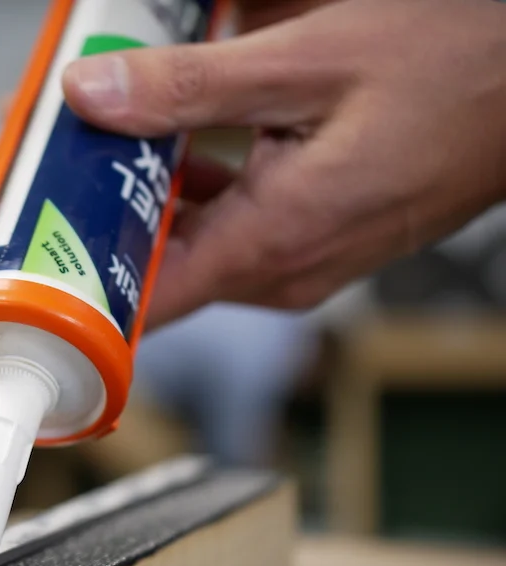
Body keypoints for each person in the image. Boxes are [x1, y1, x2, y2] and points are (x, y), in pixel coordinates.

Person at [60, 0, 506, 464]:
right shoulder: (264, 356)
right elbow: (238, 456)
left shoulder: (272, 317)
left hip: (117, 351)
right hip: (118, 362)